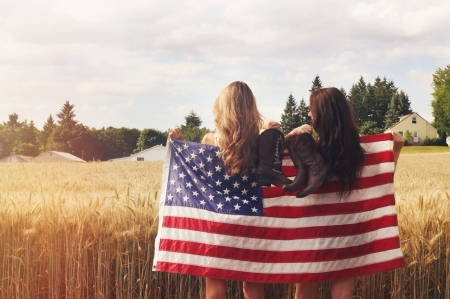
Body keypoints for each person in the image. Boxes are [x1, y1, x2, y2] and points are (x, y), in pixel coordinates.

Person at [280, 87, 404, 299]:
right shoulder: (357, 149)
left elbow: (275, 164)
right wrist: (397, 149)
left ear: (324, 113)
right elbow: (380, 182)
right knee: (342, 292)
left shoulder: (310, 150)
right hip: (348, 230)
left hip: (314, 233)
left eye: (312, 110)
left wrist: (291, 136)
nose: (309, 114)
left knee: (305, 292)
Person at [168, 81, 265, 299]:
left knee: (215, 287)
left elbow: (197, 177)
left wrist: (179, 144)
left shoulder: (210, 140)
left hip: (218, 221)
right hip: (252, 219)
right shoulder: (261, 139)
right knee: (253, 286)